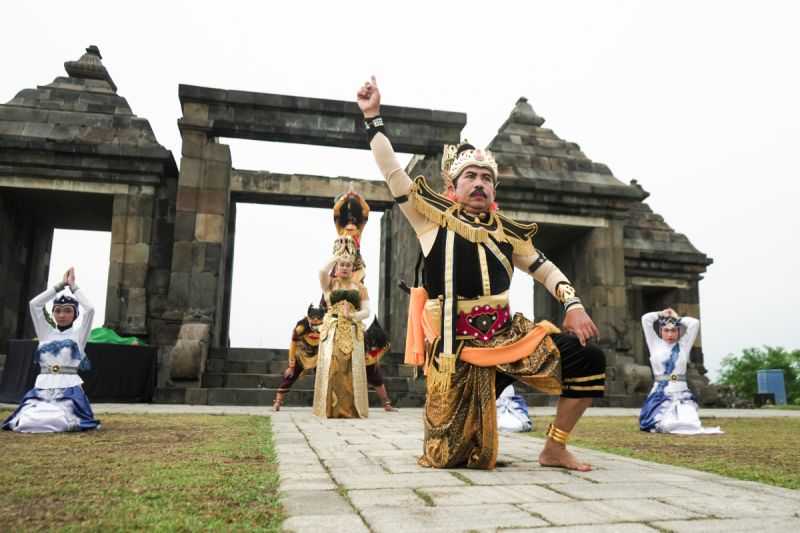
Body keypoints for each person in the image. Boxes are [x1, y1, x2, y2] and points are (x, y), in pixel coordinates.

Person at [357, 76, 606, 470]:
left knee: (588, 358)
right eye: (470, 177)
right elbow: (392, 173)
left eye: (486, 178)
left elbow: (546, 270)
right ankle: (470, 413)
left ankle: (555, 447)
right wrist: (373, 117)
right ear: (452, 189)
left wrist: (572, 304)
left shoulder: (509, 234)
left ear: (494, 191)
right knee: (451, 457)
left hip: (509, 339)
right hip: (459, 348)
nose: (479, 184)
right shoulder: (430, 222)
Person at [2, 267, 100, 433]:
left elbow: (89, 310)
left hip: (69, 389)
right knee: (26, 421)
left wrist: (73, 287)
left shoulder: (78, 336)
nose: (62, 315)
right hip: (42, 388)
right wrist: (59, 286)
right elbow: (34, 304)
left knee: (59, 421)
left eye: (68, 311)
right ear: (53, 313)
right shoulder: (45, 332)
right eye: (58, 311)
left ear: (75, 315)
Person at [312, 237, 371, 418]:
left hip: (352, 329)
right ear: (336, 267)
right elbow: (322, 270)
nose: (344, 268)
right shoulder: (329, 284)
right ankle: (329, 408)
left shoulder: (359, 287)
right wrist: (337, 255)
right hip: (333, 328)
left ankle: (351, 409)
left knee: (351, 369)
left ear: (353, 268)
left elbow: (367, 311)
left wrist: (352, 316)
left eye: (347, 265)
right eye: (341, 265)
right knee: (333, 366)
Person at [639, 308, 722, 434]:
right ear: (661, 331)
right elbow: (646, 319)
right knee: (664, 424)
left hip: (681, 393)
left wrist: (677, 318)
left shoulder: (683, 345)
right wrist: (661, 314)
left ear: (678, 331)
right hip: (660, 394)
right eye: (666, 330)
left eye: (673, 330)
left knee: (690, 425)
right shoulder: (654, 343)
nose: (670, 334)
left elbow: (694, 323)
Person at [273, 304, 326, 411]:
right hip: (302, 355)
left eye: (318, 319)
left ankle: (325, 403)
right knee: (289, 376)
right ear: (308, 317)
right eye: (313, 319)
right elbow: (293, 345)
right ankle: (278, 401)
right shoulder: (300, 328)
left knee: (325, 377)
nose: (315, 321)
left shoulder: (327, 326)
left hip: (318, 355)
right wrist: (291, 365)